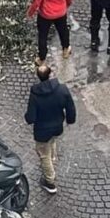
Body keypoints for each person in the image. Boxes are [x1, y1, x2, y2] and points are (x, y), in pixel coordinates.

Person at [24, 63, 76, 194]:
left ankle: (50, 182)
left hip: (42, 131)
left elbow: (30, 118)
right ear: (50, 74)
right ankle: (52, 160)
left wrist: (27, 116)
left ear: (38, 77)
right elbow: (70, 107)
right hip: (57, 127)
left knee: (43, 154)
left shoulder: (35, 95)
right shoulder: (62, 89)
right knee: (52, 142)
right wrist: (70, 120)